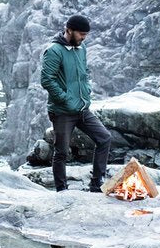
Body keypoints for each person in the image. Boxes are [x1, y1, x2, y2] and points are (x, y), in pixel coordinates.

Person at [40, 14, 111, 192]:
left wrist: (86, 92)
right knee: (62, 152)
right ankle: (61, 190)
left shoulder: (81, 48)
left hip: (82, 108)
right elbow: (47, 80)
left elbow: (84, 72)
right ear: (69, 30)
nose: (83, 38)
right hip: (62, 111)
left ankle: (96, 184)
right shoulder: (54, 51)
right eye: (81, 34)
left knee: (104, 138)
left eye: (85, 35)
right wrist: (65, 98)